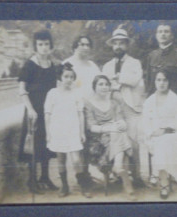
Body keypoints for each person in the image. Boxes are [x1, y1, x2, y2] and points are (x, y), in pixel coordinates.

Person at [102, 28, 147, 188]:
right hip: (113, 108)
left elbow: (135, 80)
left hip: (131, 107)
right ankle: (119, 175)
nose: (118, 46)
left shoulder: (135, 63)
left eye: (122, 43)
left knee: (133, 143)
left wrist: (117, 79)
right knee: (116, 141)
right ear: (112, 46)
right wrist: (114, 83)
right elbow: (103, 85)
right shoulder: (107, 66)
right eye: (116, 43)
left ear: (127, 45)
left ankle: (137, 176)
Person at [18, 29, 58, 194]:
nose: (43, 48)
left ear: (50, 46)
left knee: (47, 144)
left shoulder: (52, 65)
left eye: (46, 44)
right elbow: (21, 89)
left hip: (48, 111)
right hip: (34, 111)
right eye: (40, 44)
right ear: (35, 46)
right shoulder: (30, 64)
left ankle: (45, 177)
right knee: (34, 145)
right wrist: (30, 110)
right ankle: (32, 180)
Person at [84, 75, 136, 201]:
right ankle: (121, 173)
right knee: (119, 135)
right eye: (100, 84)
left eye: (106, 84)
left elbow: (122, 122)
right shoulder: (89, 104)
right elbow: (92, 127)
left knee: (119, 133)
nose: (104, 87)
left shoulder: (114, 103)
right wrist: (110, 128)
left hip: (114, 136)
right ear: (94, 87)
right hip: (97, 139)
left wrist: (119, 125)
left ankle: (117, 167)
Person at [44, 63, 91, 198]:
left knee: (76, 159)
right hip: (58, 130)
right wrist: (48, 133)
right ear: (60, 77)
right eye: (66, 76)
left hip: (73, 129)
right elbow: (47, 114)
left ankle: (83, 185)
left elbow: (80, 113)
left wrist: (81, 132)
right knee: (61, 159)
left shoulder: (76, 93)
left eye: (71, 76)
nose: (69, 79)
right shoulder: (52, 93)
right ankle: (64, 186)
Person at [63, 35, 101, 185]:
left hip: (91, 109)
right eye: (81, 44)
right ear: (75, 46)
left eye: (87, 45)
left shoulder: (93, 66)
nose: (85, 47)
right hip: (73, 109)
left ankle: (86, 175)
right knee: (76, 144)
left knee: (87, 143)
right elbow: (61, 87)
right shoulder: (67, 64)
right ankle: (81, 179)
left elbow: (99, 84)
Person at [142, 71, 177, 200]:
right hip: (154, 135)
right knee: (160, 142)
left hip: (173, 134)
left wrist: (165, 130)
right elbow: (145, 121)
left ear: (169, 82)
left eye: (165, 80)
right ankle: (160, 174)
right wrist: (152, 132)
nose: (161, 83)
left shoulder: (176, 100)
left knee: (164, 142)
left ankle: (163, 182)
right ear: (154, 82)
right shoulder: (149, 101)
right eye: (158, 80)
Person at [144, 23, 177, 99]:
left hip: (174, 100)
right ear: (156, 35)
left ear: (172, 36)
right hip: (155, 99)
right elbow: (149, 81)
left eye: (166, 31)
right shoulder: (152, 56)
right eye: (160, 32)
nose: (163, 34)